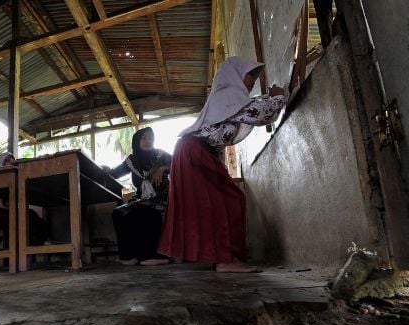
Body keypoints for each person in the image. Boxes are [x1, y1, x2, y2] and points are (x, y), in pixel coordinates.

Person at [157, 56, 286, 273]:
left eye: (255, 75)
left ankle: (221, 257)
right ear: (234, 75)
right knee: (231, 200)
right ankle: (227, 260)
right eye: (249, 74)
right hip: (194, 152)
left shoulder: (227, 98)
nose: (253, 80)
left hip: (191, 153)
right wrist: (279, 97)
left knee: (214, 204)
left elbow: (248, 111)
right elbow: (260, 113)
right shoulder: (229, 95)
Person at [104, 127, 171, 266]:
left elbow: (179, 164)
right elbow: (114, 174)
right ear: (137, 141)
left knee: (143, 212)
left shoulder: (161, 155)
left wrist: (163, 168)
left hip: (161, 199)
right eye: (144, 138)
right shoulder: (131, 161)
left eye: (151, 138)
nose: (148, 141)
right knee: (119, 212)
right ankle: (129, 256)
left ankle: (151, 255)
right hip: (141, 200)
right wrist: (105, 170)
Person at [0, 152, 48, 245]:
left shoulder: (16, 180)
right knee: (20, 219)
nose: (10, 163)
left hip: (11, 211)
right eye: (7, 161)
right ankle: (18, 247)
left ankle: (36, 245)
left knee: (32, 215)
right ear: (1, 164)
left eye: (12, 161)